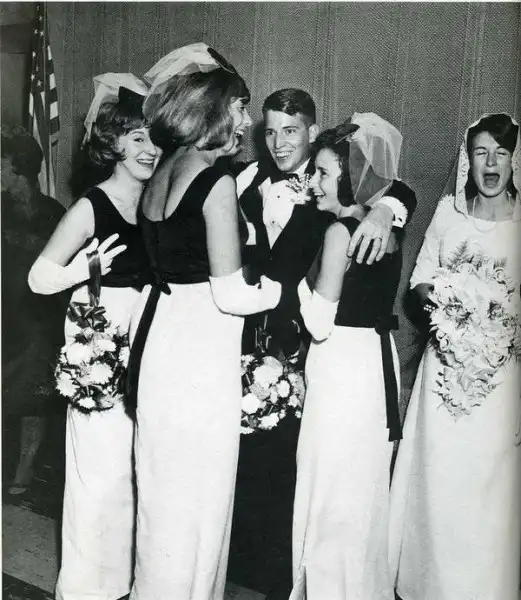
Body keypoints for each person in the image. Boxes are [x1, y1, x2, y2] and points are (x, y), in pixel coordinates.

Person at [229, 89, 417, 599]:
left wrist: (386, 209)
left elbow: (398, 186)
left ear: (311, 134)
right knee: (330, 485)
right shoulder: (244, 180)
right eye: (270, 131)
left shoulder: (350, 206)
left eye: (290, 131)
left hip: (323, 357)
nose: (278, 142)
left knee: (326, 485)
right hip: (318, 355)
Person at [125, 43, 281, 600]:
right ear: (214, 108)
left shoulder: (161, 172)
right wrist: (282, 288)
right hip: (199, 350)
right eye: (240, 106)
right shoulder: (215, 182)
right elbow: (231, 293)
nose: (246, 119)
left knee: (163, 496)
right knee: (200, 497)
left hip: (162, 339)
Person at [28, 73, 161, 600]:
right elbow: (38, 279)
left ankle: (122, 585)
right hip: (99, 342)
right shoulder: (91, 206)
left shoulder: (155, 203)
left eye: (154, 138)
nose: (149, 150)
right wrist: (83, 269)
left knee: (132, 472)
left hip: (145, 341)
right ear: (113, 143)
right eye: (136, 138)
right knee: (97, 475)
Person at [388, 113, 521, 600]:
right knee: (441, 479)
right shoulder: (448, 214)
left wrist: (494, 322)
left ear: (515, 160)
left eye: (501, 153)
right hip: (444, 371)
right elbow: (419, 281)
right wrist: (448, 306)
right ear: (468, 160)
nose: (491, 164)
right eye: (481, 152)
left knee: (487, 484)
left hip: (500, 379)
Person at [287, 113, 408, 600]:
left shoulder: (339, 233)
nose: (313, 182)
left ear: (350, 176)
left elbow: (318, 323)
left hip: (340, 368)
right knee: (359, 491)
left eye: (322, 172)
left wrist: (295, 283)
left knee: (328, 487)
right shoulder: (388, 232)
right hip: (376, 364)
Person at [1, 125, 66, 498]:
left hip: (39, 321)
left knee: (34, 401)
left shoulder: (55, 214)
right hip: (4, 318)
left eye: (2, 165)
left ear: (19, 170)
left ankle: (24, 472)